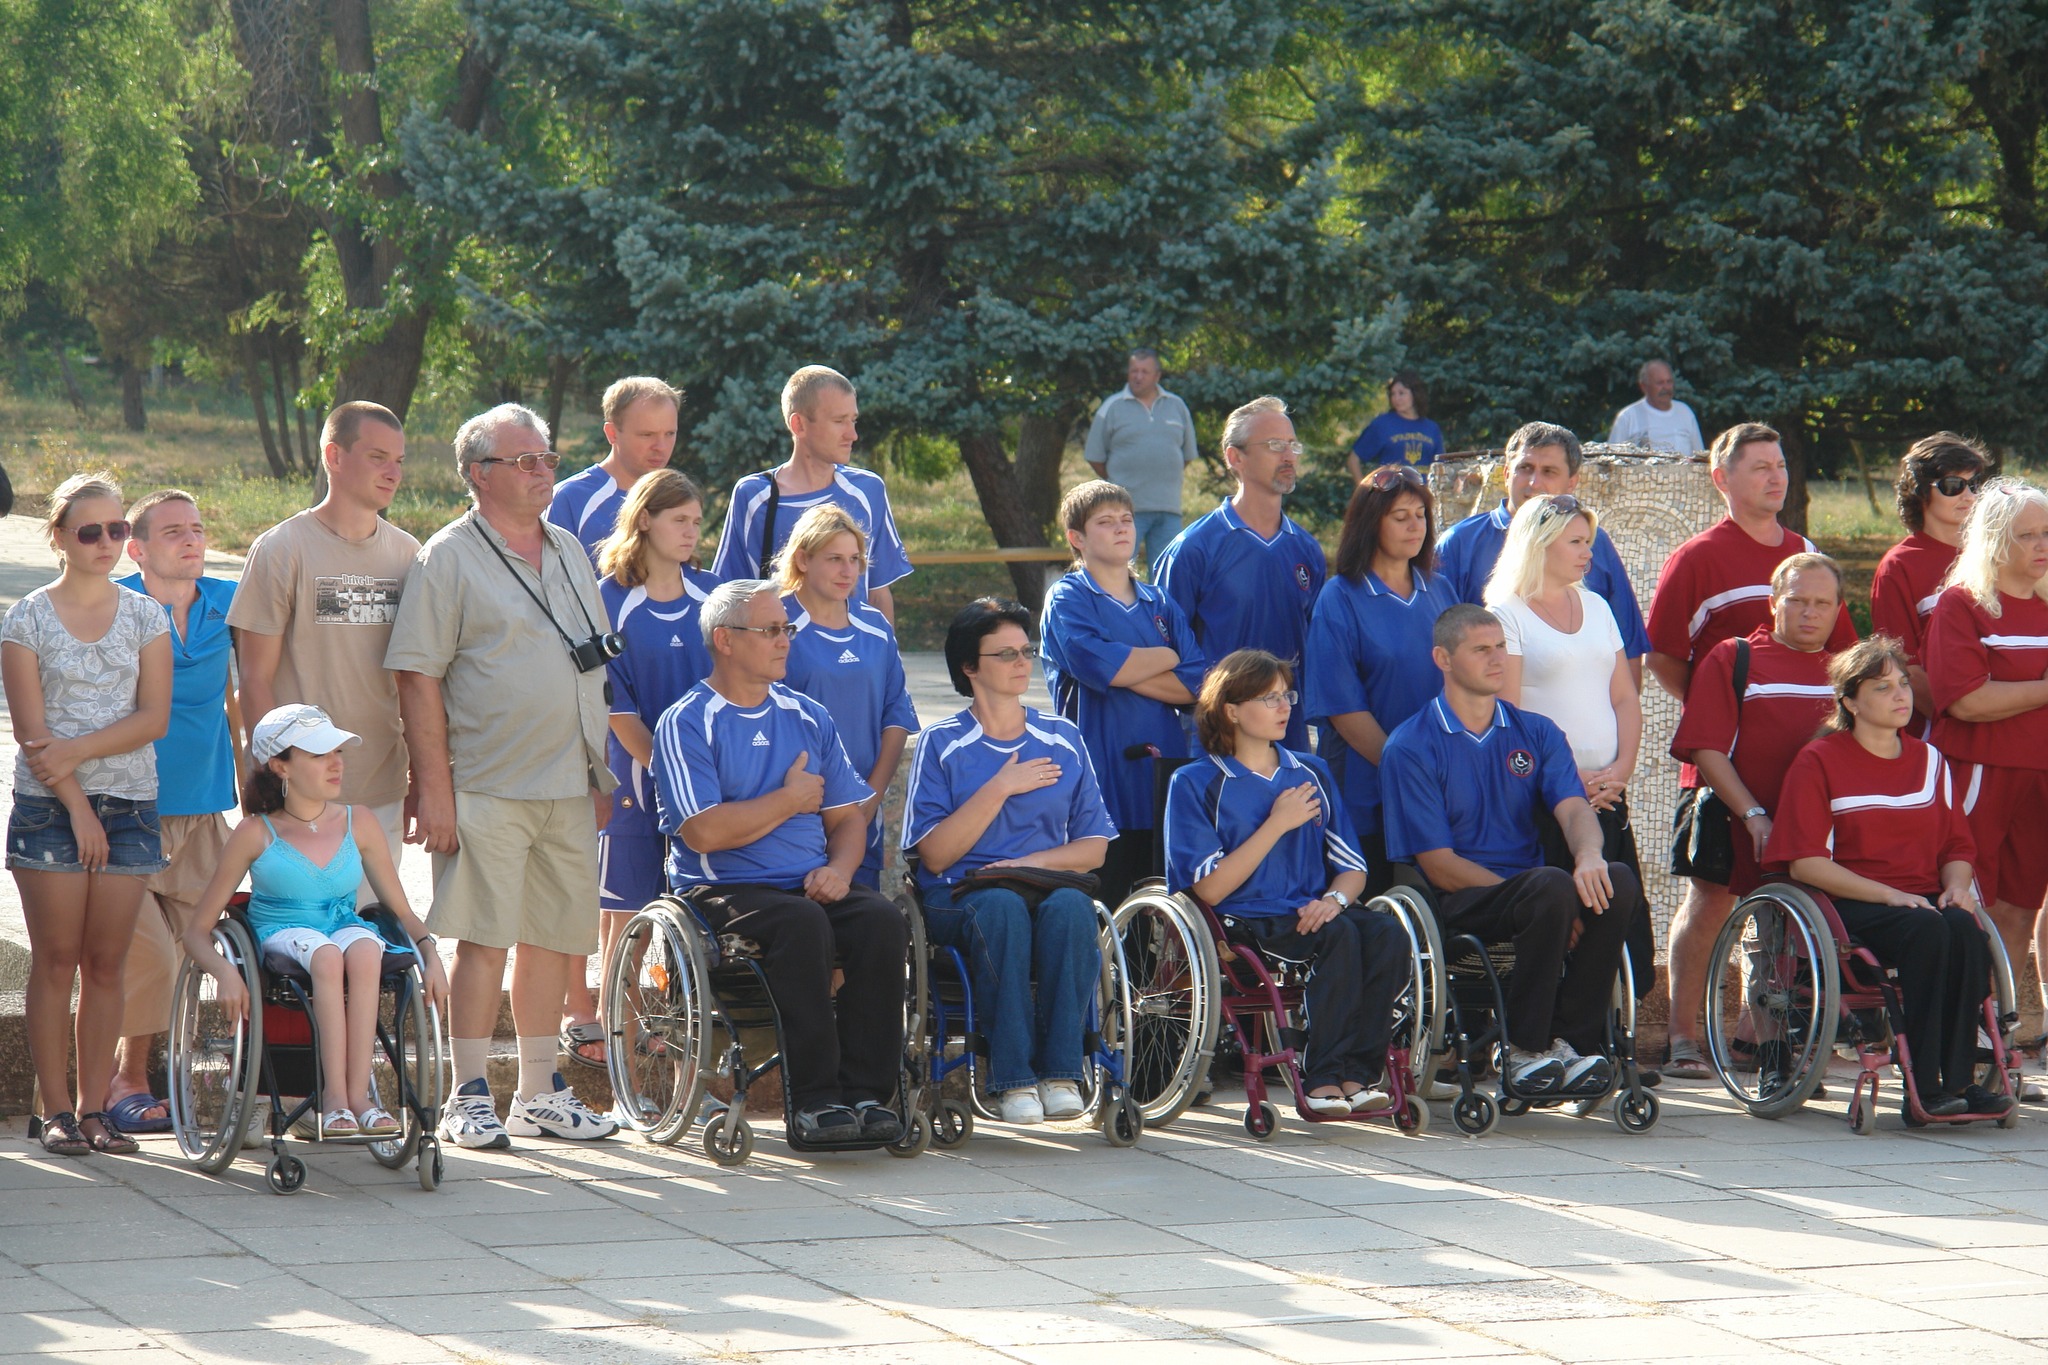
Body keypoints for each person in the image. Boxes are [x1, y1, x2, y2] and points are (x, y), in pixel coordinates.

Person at [386, 403, 621, 1149]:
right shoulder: (447, 556)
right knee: (483, 940)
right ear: (479, 473)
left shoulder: (570, 547)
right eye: (525, 460)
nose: (544, 469)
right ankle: (467, 1093)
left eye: (548, 456)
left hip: (567, 781)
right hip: (487, 781)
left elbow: (589, 662)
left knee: (556, 940)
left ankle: (538, 1092)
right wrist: (436, 789)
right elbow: (418, 677)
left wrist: (597, 771)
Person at [652, 580, 908, 1146]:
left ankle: (869, 1093)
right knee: (802, 923)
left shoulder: (808, 715)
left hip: (809, 883)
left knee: (880, 921)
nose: (785, 640)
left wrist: (841, 870)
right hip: (722, 892)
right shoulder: (688, 720)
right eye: (770, 629)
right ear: (725, 640)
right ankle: (815, 1102)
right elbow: (704, 831)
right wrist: (790, 801)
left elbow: (848, 819)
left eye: (785, 628)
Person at [1645, 422, 1855, 1073]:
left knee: (1791, 900)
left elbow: (1843, 657)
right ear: (1722, 478)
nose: (1775, 476)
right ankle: (1683, 1033)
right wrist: (1721, 709)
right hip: (1719, 766)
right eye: (1759, 465)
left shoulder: (1805, 553)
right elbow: (1662, 653)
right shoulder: (1698, 555)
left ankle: (1755, 1034)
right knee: (1712, 898)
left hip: (1802, 770)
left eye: (1781, 463)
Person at [1380, 604, 1641, 1096]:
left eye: (1501, 646)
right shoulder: (1411, 745)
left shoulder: (1537, 732)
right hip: (1461, 902)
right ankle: (1524, 1049)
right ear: (1443, 658)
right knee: (1550, 886)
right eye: (1481, 649)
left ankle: (1575, 1044)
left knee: (1617, 878)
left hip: (1541, 896)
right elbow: (1439, 866)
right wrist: (1547, 900)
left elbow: (1573, 811)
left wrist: (1589, 856)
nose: (1498, 658)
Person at [1766, 637, 2011, 1119]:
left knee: (1963, 926)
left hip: (1920, 899)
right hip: (1850, 900)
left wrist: (1958, 887)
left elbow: (1957, 848)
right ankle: (1924, 1083)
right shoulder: (1818, 762)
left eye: (1903, 684)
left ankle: (1960, 1079)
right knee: (1929, 929)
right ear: (1850, 701)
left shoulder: (1930, 760)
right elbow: (1805, 863)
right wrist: (1890, 895)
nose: (1901, 695)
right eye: (1883, 688)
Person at [179, 706, 450, 1138]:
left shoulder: (357, 820)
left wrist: (430, 955)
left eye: (338, 751)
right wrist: (225, 972)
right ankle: (335, 1100)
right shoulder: (255, 832)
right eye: (320, 753)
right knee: (326, 956)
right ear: (280, 765)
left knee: (365, 949)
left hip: (341, 925)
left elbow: (400, 909)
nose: (336, 762)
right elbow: (196, 932)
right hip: (280, 932)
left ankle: (358, 1099)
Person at [5, 473, 172, 1156]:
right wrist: (78, 806)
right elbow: (32, 737)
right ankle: (54, 1110)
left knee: (107, 964)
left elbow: (152, 717)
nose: (107, 542)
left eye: (118, 529)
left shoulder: (145, 616)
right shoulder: (27, 618)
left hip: (131, 805)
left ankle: (96, 1107)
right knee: (55, 960)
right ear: (58, 537)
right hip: (51, 811)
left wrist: (82, 753)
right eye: (90, 531)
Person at [903, 598, 1116, 1124]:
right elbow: (934, 852)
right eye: (1005, 654)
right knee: (999, 908)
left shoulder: (1063, 737)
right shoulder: (942, 743)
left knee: (1070, 909)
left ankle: (1064, 1072)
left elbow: (1095, 847)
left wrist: (1025, 862)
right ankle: (1012, 1079)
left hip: (1043, 886)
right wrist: (1001, 786)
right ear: (969, 667)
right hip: (960, 896)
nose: (1022, 662)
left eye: (1027, 651)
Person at [1165, 649, 1399, 1114]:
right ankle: (1323, 1076)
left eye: (1286, 695)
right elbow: (1208, 889)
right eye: (1268, 698)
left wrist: (1333, 898)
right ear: (1231, 710)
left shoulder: (1312, 771)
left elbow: (1353, 867)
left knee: (1385, 932)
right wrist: (1277, 823)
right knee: (1339, 936)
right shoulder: (1195, 782)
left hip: (1315, 911)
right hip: (1244, 920)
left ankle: (1359, 1073)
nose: (1284, 707)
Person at [1663, 553, 1846, 1078]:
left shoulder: (1848, 669)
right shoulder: (1735, 656)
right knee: (1707, 912)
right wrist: (1754, 815)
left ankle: (1754, 1041)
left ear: (1838, 609)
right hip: (1734, 812)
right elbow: (1707, 748)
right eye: (1797, 600)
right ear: (1773, 602)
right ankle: (1683, 1039)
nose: (1809, 613)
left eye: (1822, 603)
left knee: (1784, 927)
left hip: (1811, 827)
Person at [229, 401, 417, 901]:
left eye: (399, 460)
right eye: (378, 457)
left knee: (372, 947)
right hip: (301, 795)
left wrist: (420, 774)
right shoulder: (282, 548)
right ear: (334, 455)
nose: (392, 472)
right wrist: (274, 778)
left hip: (380, 786)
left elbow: (413, 680)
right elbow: (256, 679)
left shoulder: (409, 555)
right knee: (305, 950)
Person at [570, 468, 721, 1070]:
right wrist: (667, 766)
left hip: (708, 784)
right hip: (635, 777)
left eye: (696, 522)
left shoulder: (714, 596)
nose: (691, 532)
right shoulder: (607, 599)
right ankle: (618, 1031)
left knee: (692, 907)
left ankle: (673, 1029)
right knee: (625, 910)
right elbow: (615, 707)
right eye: (679, 520)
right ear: (645, 520)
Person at [102, 489, 242, 1134]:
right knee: (143, 956)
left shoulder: (227, 602)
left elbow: (242, 697)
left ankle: (149, 1074)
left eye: (198, 528)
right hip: (130, 808)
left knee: (192, 953)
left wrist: (256, 781)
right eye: (173, 532)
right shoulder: (118, 606)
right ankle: (120, 1081)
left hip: (205, 809)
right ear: (138, 548)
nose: (192, 540)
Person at [1484, 493, 1652, 999]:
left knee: (1614, 926)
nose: (1587, 554)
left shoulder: (1598, 606)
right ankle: (1549, 1039)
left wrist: (1621, 769)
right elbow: (1507, 716)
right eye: (1576, 542)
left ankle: (1598, 1040)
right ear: (1540, 544)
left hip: (1606, 794)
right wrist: (1567, 783)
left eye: (1589, 542)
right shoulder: (1505, 613)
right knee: (1564, 930)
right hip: (1545, 802)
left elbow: (1625, 696)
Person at [1040, 480, 1205, 903]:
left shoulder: (1159, 601)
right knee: (1108, 903)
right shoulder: (1068, 598)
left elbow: (1196, 684)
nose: (1121, 528)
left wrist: (1123, 668)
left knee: (1160, 907)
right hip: (1100, 772)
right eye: (1105, 521)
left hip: (1160, 772)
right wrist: (1166, 657)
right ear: (1076, 538)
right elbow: (1094, 664)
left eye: (1127, 520)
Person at [1924, 479, 2048, 1031]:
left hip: (2041, 775)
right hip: (1979, 771)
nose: (2043, 545)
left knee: (2021, 906)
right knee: (1970, 904)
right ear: (1995, 540)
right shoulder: (1963, 603)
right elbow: (1967, 701)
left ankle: (1997, 1033)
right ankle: (1954, 1035)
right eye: (2028, 536)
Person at [1302, 465, 1460, 891]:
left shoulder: (1441, 590)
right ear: (1372, 523)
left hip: (1441, 791)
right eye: (1400, 516)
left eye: (1421, 514)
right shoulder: (1340, 598)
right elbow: (1344, 712)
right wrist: (1409, 773)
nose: (1415, 525)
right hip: (1368, 793)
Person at [1155, 395, 1327, 750]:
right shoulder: (1194, 549)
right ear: (1236, 457)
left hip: (1287, 739)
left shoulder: (1306, 550)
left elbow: (1318, 652)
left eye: (1293, 445)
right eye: (1275, 445)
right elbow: (1162, 653)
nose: (1289, 456)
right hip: (1216, 744)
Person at [1433, 422, 1649, 681]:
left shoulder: (1594, 542)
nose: (1534, 483)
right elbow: (1437, 642)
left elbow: (1628, 649)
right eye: (1525, 468)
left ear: (1572, 482)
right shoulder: (1459, 543)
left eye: (1549, 471)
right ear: (1506, 474)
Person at [775, 503, 918, 889]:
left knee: (859, 917)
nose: (848, 571)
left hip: (859, 808)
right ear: (802, 559)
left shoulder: (874, 626)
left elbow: (897, 714)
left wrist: (871, 795)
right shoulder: (774, 623)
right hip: (790, 808)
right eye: (835, 559)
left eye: (855, 559)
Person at [711, 365, 911, 621]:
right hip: (781, 656)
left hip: (855, 657)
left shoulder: (867, 489)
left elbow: (878, 594)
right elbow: (730, 597)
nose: (853, 434)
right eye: (839, 421)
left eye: (853, 420)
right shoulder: (755, 496)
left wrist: (888, 659)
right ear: (799, 424)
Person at [1870, 433, 1989, 735]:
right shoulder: (1898, 567)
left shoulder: (1995, 555)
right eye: (1953, 486)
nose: (1969, 496)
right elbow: (1904, 667)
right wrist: (1964, 720)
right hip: (1945, 733)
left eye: (1974, 485)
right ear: (1920, 491)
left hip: (2011, 724)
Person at [1083, 348, 1201, 571]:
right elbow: (1094, 456)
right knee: (1120, 572)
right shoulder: (1112, 407)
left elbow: (1186, 456)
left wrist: (1161, 470)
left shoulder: (1177, 406)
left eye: (1144, 372)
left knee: (1168, 572)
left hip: (1168, 510)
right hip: (1124, 512)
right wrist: (1119, 481)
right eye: (1133, 371)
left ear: (1157, 375)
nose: (1138, 376)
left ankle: (1161, 608)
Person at [547, 376, 682, 563]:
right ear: (612, 433)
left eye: (669, 434)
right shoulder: (571, 498)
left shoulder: (679, 499)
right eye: (647, 435)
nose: (660, 446)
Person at [1346, 370, 1445, 480]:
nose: (1396, 398)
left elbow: (1440, 467)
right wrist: (1363, 490)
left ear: (1415, 394)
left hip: (1422, 494)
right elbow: (1353, 459)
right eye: (1393, 394)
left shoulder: (1431, 428)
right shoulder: (1382, 424)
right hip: (1391, 494)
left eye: (1401, 393)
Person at [1607, 359, 1705, 454]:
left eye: (1669, 382)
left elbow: (1699, 455)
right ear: (1644, 386)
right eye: (1660, 383)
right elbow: (1613, 458)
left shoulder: (1685, 412)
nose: (1666, 387)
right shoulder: (1628, 417)